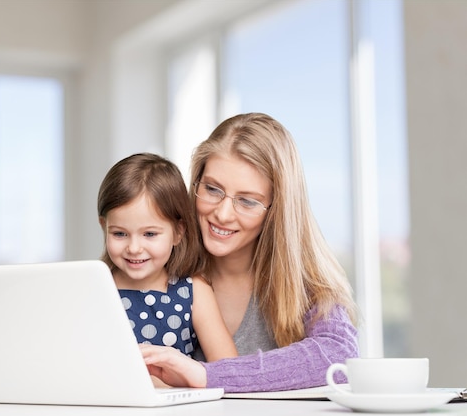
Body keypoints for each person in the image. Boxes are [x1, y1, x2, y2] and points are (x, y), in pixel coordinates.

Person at [140, 113, 359, 392]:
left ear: (277, 209)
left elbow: (339, 357)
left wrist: (207, 376)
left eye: (247, 201)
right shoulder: (157, 264)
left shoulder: (306, 284)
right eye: (212, 189)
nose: (222, 213)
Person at [97, 152, 238, 362]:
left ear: (178, 232)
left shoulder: (193, 291)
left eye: (150, 234)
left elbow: (229, 368)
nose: (134, 248)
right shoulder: (96, 287)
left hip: (175, 395)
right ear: (104, 227)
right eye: (119, 234)